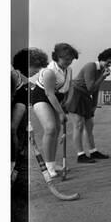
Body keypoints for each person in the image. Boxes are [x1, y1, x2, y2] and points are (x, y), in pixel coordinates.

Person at [29, 43, 78, 177]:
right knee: (50, 128)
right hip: (42, 97)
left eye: (71, 59)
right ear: (57, 57)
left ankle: (52, 163)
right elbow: (49, 94)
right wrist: (61, 113)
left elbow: (71, 87)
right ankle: (48, 167)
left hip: (58, 99)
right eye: (66, 59)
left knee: (56, 130)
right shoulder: (49, 71)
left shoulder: (69, 69)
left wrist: (67, 102)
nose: (68, 62)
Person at [65, 48, 111, 163]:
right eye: (108, 62)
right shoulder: (91, 66)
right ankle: (81, 155)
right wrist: (103, 77)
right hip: (76, 94)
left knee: (89, 125)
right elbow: (90, 87)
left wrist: (94, 105)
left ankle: (93, 151)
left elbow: (96, 89)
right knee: (78, 125)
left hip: (85, 97)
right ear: (101, 59)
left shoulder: (101, 70)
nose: (110, 65)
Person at [11, 48, 49, 181]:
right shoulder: (14, 75)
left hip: (18, 103)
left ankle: (13, 164)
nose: (38, 71)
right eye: (36, 67)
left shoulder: (23, 82)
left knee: (13, 129)